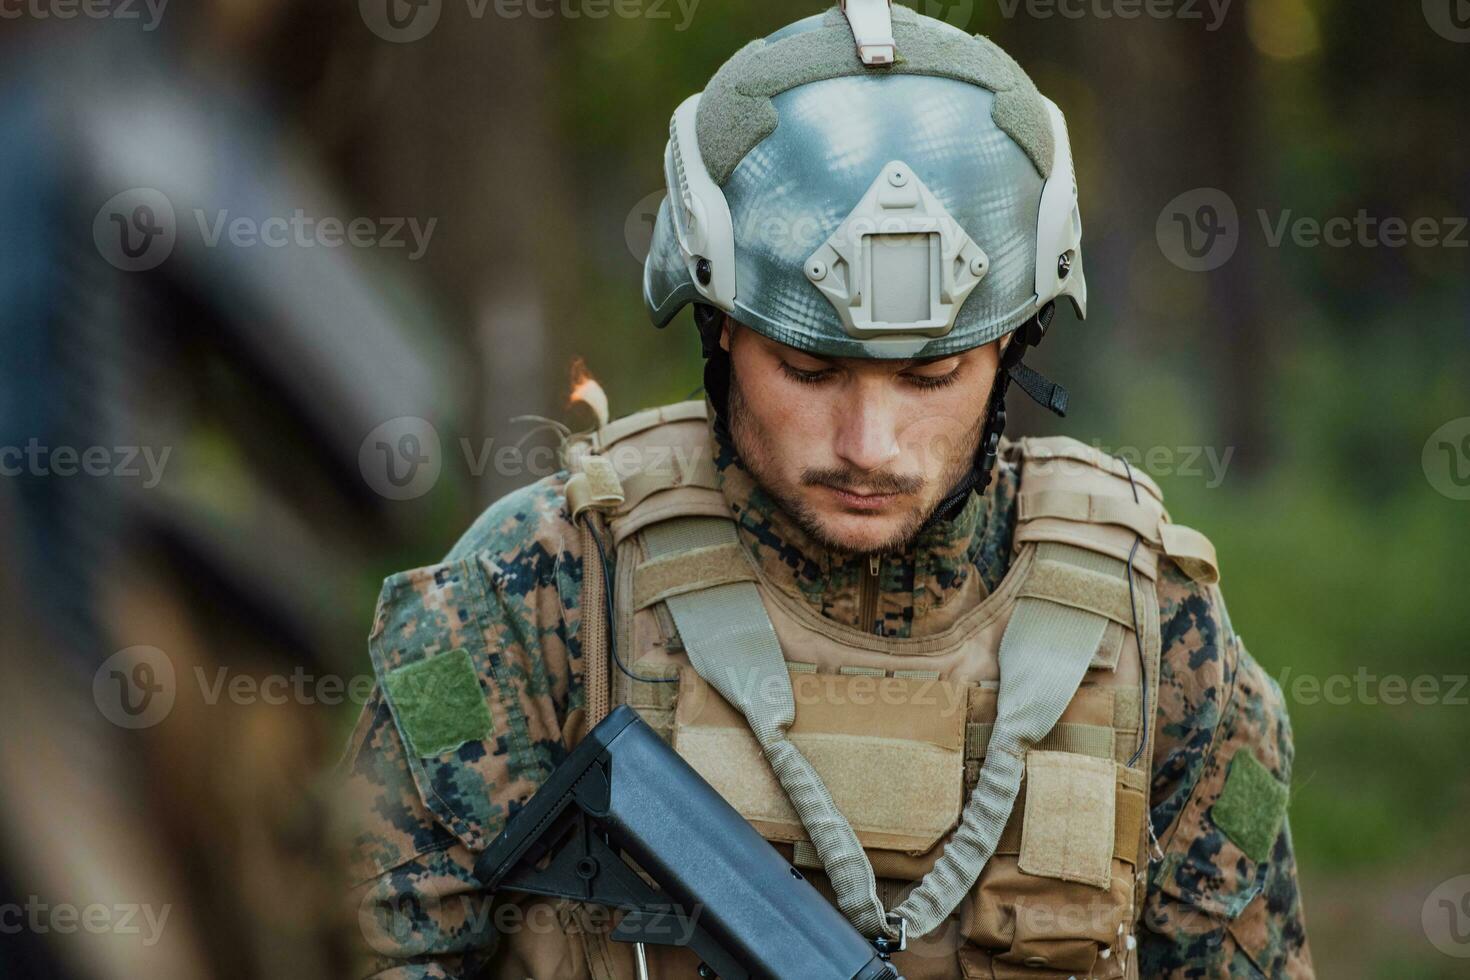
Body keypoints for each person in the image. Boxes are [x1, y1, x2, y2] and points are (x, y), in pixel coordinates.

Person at [342, 4, 1313, 977]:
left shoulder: (1161, 627)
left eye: (931, 377)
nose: (870, 444)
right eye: (808, 370)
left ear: (1015, 345)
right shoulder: (533, 593)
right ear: (719, 328)